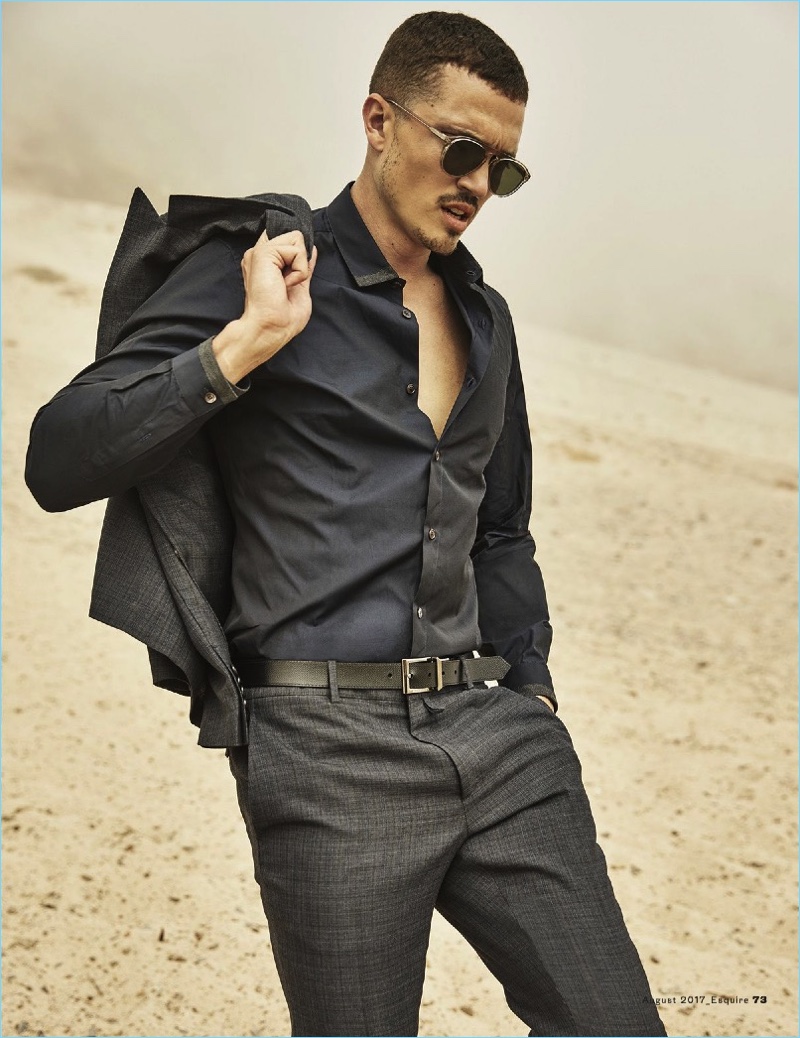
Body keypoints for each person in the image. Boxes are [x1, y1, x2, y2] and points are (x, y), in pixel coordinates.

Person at [26, 11, 667, 1038]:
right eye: (460, 150)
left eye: (502, 170)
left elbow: (500, 529)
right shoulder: (260, 270)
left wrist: (532, 690)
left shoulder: (485, 319)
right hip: (327, 758)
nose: (476, 185)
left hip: (498, 742)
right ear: (378, 120)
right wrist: (244, 344)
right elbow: (59, 458)